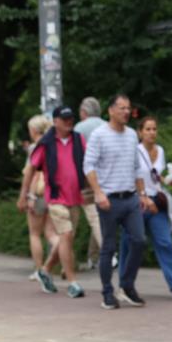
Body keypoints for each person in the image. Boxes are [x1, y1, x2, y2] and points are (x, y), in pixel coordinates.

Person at [82, 95, 151, 310]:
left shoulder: (131, 135)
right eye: (121, 108)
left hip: (130, 198)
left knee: (139, 240)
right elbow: (88, 165)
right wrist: (98, 193)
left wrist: (142, 194)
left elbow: (137, 167)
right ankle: (107, 292)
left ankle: (127, 286)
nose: (126, 112)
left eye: (128, 108)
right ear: (110, 110)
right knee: (108, 248)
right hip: (108, 200)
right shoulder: (99, 135)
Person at [118, 116, 172, 300]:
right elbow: (131, 177)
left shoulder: (160, 150)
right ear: (140, 132)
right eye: (148, 129)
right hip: (137, 203)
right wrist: (142, 196)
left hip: (156, 203)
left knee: (165, 242)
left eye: (154, 129)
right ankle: (124, 285)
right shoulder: (134, 151)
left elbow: (155, 176)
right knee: (129, 244)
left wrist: (169, 180)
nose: (152, 132)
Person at [16, 106, 86, 298]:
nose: (69, 122)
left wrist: (94, 189)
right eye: (64, 119)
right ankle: (72, 282)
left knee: (67, 239)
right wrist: (24, 195)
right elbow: (31, 169)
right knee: (66, 233)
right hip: (55, 197)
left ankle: (45, 270)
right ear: (55, 122)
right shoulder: (46, 143)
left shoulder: (79, 139)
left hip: (75, 197)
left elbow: (88, 164)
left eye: (71, 118)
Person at [20, 114, 60, 285]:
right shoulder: (54, 145)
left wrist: (28, 195)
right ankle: (62, 252)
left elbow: (34, 173)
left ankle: (39, 270)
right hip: (53, 193)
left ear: (34, 130)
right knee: (52, 233)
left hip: (37, 195)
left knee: (35, 234)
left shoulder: (35, 148)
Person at [74, 96, 106, 270]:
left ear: (84, 112)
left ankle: (106, 253)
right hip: (106, 179)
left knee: (93, 216)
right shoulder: (106, 126)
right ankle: (93, 257)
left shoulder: (79, 128)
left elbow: (77, 156)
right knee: (99, 215)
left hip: (87, 179)